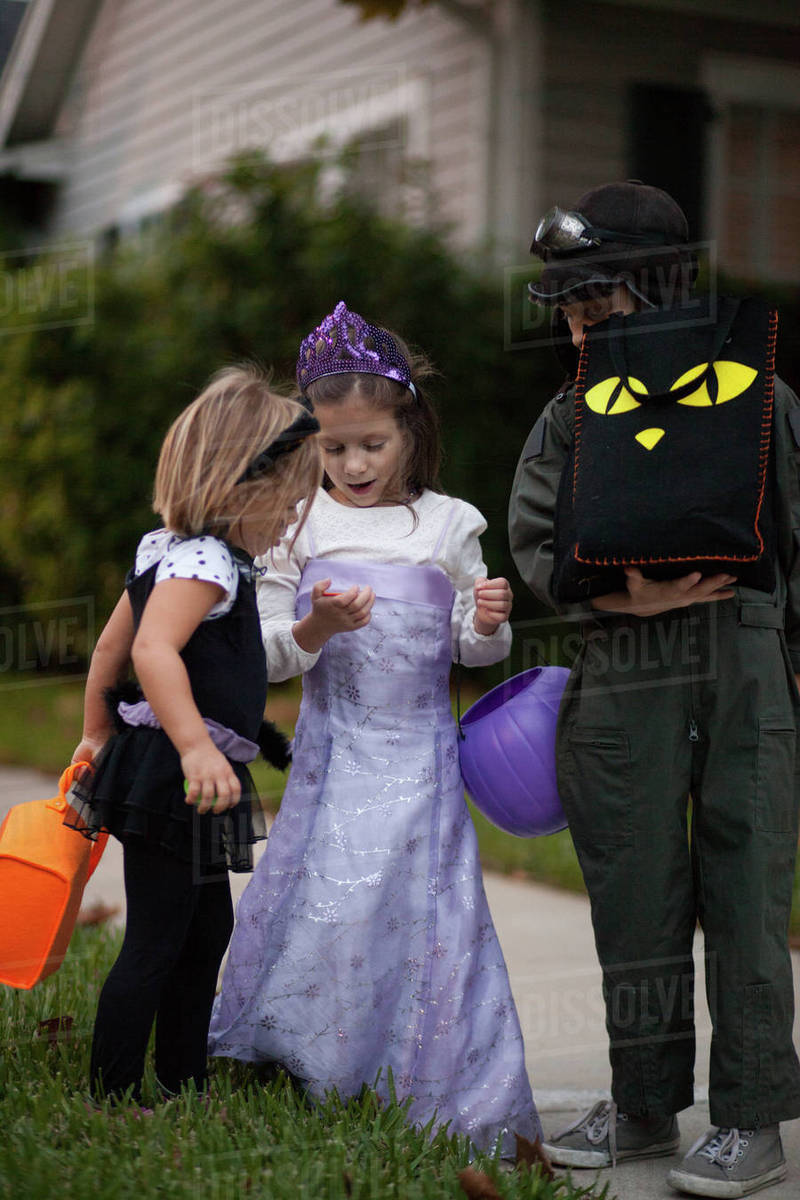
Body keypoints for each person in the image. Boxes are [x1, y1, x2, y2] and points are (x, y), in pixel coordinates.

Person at [509, 181, 800, 1196]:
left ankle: (749, 1116)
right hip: (622, 665)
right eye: (570, 308)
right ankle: (639, 1107)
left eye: (603, 304)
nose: (581, 323)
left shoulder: (759, 397)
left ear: (665, 290)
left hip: (739, 653)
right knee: (633, 890)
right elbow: (537, 542)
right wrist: (617, 601)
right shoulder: (566, 415)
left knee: (746, 882)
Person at [209, 301, 540, 1156]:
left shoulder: (448, 524)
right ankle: (310, 1057)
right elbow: (271, 655)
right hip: (335, 753)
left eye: (372, 444)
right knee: (329, 900)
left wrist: (492, 620)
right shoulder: (295, 525)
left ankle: (419, 1064)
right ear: (309, 444)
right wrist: (318, 629)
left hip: (422, 753)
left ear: (410, 432)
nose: (353, 464)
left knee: (423, 911)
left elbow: (469, 646)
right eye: (332, 447)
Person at [68, 365, 321, 1104]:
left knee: (201, 933)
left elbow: (110, 650)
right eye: (287, 502)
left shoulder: (165, 548)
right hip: (177, 775)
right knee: (155, 940)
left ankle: (184, 1078)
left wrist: (93, 731)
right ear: (241, 487)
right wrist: (194, 746)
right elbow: (149, 653)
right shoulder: (206, 561)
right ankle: (113, 1094)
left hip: (177, 773)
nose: (290, 520)